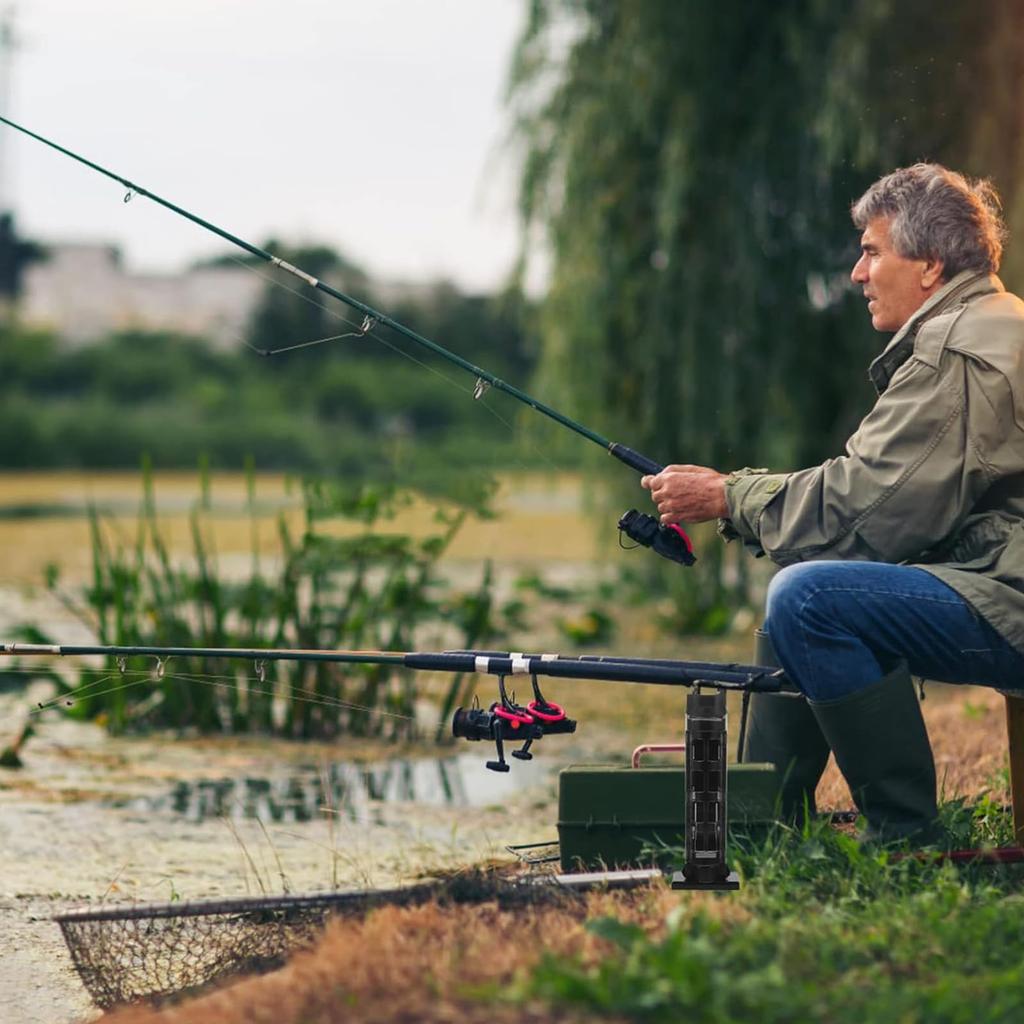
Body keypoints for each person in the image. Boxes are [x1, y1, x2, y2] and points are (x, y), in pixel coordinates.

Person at [641, 163, 1024, 842]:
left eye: (872, 251)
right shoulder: (999, 320)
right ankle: (756, 826)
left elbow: (865, 511)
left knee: (810, 598)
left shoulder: (957, 351)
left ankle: (906, 837)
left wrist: (730, 495)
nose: (856, 272)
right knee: (805, 593)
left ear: (931, 265)